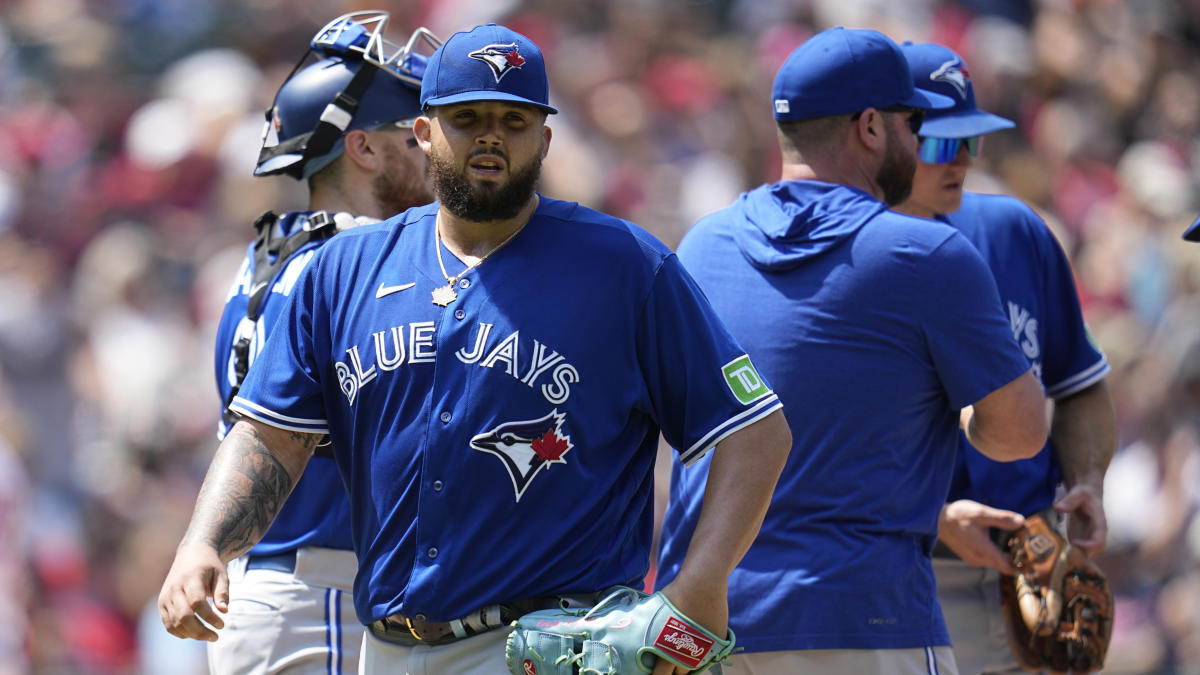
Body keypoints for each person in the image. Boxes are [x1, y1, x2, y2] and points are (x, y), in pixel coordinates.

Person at [159, 22, 793, 675]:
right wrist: (205, 542)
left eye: (514, 121)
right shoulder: (344, 267)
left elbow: (753, 430)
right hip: (386, 645)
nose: (491, 135)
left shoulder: (624, 264)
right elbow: (270, 435)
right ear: (425, 133)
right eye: (467, 118)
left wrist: (701, 582)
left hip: (553, 643)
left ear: (544, 141)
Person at [655, 26, 1050, 675]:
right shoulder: (927, 254)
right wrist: (959, 408)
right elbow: (1021, 433)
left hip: (703, 621)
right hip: (865, 622)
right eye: (912, 120)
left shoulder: (701, 245)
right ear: (871, 126)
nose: (919, 139)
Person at [207, 11, 438, 674]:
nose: (435, 151)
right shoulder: (366, 264)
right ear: (363, 148)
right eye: (416, 134)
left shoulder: (265, 254)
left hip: (286, 587)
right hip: (324, 596)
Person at [894, 42, 1117, 675]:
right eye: (941, 142)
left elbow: (1080, 385)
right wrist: (931, 518)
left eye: (972, 140)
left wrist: (1088, 481)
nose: (961, 159)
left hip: (1028, 564)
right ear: (877, 137)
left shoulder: (1014, 232)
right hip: (900, 570)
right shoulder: (839, 261)